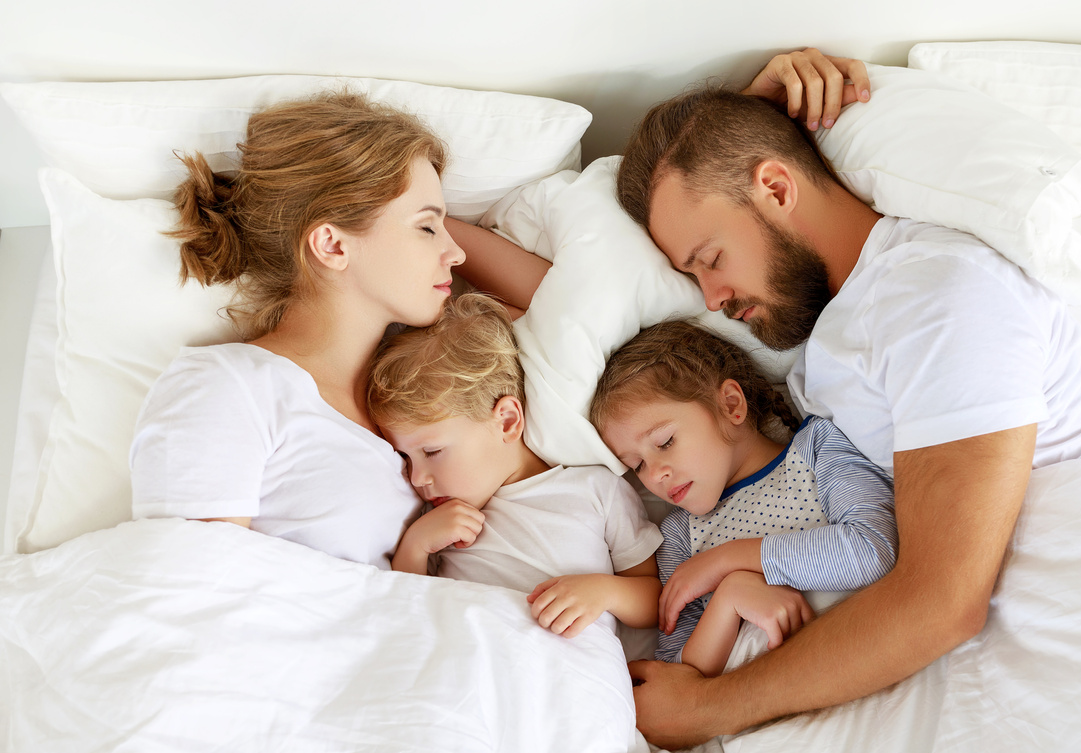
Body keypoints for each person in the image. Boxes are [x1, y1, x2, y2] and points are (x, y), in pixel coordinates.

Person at [614, 49, 1081, 747]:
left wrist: (710, 707)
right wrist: (737, 117)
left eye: (709, 259)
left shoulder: (938, 296)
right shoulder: (840, 322)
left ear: (775, 187)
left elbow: (942, 602)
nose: (713, 299)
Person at [130, 91, 551, 568]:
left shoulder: (421, 380)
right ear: (331, 244)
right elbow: (187, 597)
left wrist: (420, 215)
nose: (457, 254)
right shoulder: (229, 385)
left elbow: (552, 302)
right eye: (427, 228)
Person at [590, 319, 897, 677]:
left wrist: (726, 562)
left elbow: (875, 550)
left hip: (867, 657)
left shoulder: (817, 449)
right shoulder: (679, 536)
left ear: (730, 405)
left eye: (665, 442)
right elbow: (676, 675)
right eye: (637, 465)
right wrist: (730, 598)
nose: (655, 474)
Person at [367, 292, 663, 638]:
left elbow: (654, 601)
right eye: (404, 457)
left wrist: (604, 591)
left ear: (507, 421)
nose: (418, 478)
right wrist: (414, 547)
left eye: (431, 452)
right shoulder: (435, 526)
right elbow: (410, 612)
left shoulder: (595, 489)